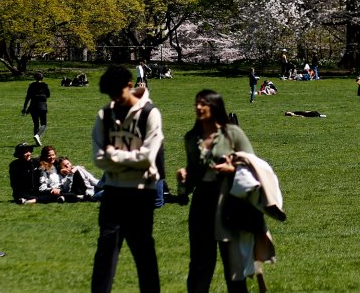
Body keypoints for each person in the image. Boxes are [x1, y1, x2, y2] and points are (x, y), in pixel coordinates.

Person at [91, 65, 163, 293]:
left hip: (142, 192)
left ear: (129, 86)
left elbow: (148, 157)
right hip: (113, 191)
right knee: (105, 250)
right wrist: (129, 158)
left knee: (143, 252)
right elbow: (98, 159)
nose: (114, 99)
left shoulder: (150, 114)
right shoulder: (104, 115)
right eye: (110, 95)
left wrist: (115, 155)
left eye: (117, 93)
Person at [176, 89, 254, 293]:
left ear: (216, 108)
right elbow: (192, 176)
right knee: (200, 265)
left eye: (204, 104)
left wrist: (232, 169)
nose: (199, 108)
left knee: (234, 266)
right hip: (202, 202)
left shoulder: (233, 134)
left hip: (229, 201)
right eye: (197, 103)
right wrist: (184, 181)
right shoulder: (192, 138)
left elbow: (253, 166)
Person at [22, 71, 51, 145]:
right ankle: (38, 135)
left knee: (36, 124)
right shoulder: (44, 85)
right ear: (42, 78)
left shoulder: (31, 85)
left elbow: (27, 97)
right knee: (44, 124)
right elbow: (48, 95)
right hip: (42, 107)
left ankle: (37, 141)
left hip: (33, 107)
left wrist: (24, 108)